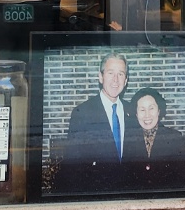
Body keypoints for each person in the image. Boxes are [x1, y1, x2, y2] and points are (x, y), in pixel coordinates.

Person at [59, 53, 139, 193]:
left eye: (120, 74)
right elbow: (72, 165)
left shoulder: (132, 111)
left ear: (126, 80)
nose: (115, 80)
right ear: (101, 77)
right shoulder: (82, 113)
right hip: (96, 193)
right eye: (110, 73)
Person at [125, 86, 185, 192]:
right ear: (136, 114)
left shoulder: (175, 138)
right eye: (142, 110)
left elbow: (181, 180)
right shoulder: (126, 139)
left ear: (159, 111)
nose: (147, 115)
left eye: (151, 108)